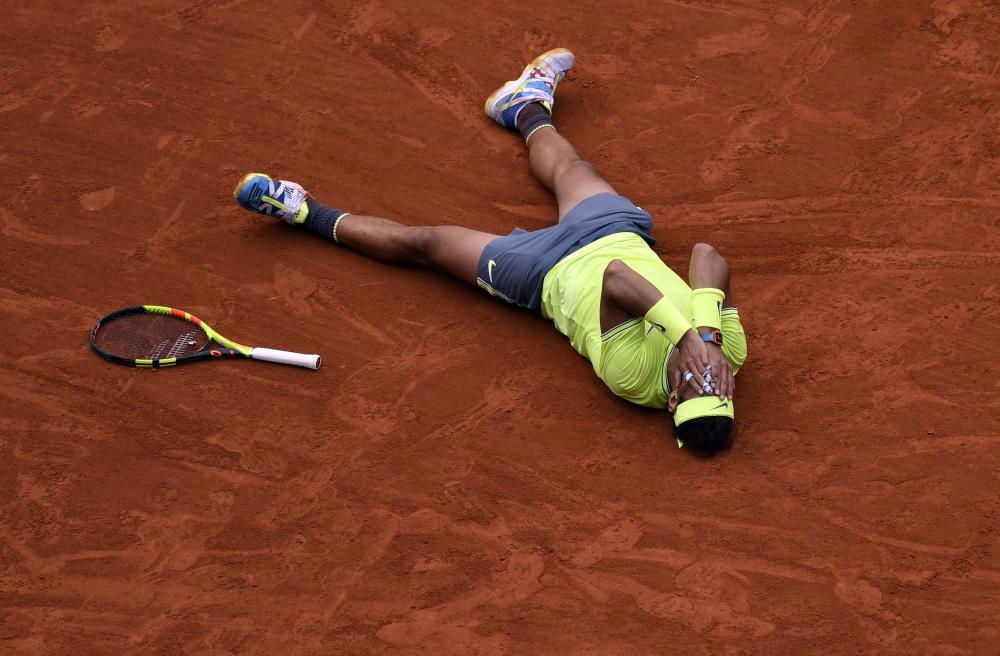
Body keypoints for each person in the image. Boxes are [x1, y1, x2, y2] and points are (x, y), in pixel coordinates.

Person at [232, 48, 748, 453]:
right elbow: (707, 255)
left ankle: (302, 211)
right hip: (614, 233)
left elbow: (615, 279)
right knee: (572, 170)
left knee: (428, 243)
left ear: (673, 403)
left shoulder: (633, 381)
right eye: (715, 391)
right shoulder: (731, 353)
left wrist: (686, 338)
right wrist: (706, 336)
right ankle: (523, 104)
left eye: (689, 395)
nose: (701, 382)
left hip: (546, 272)